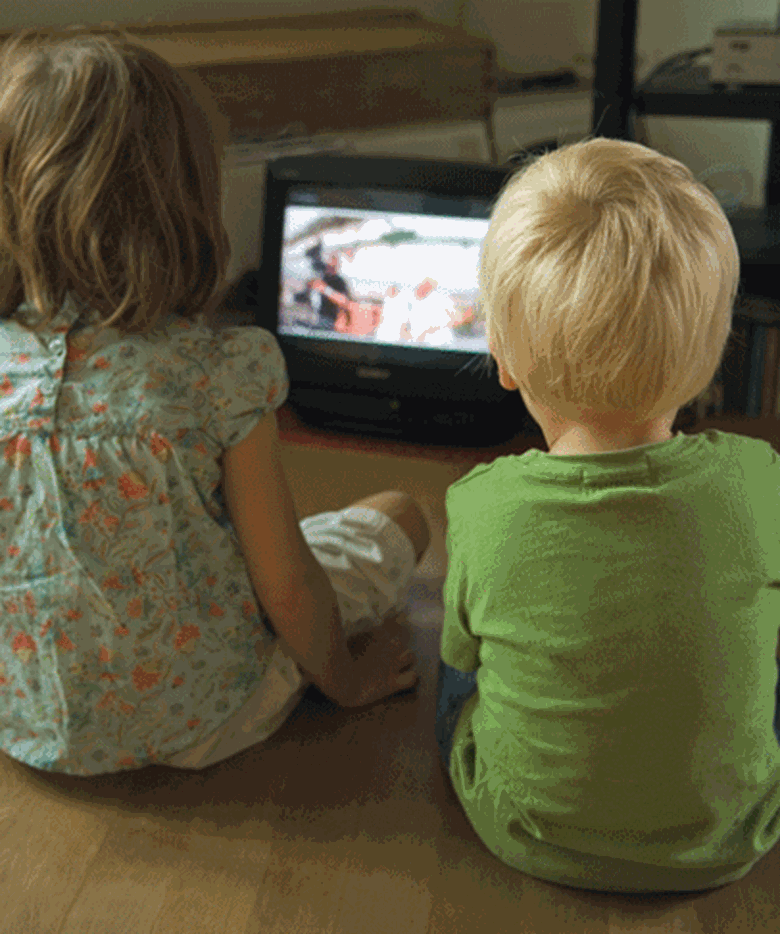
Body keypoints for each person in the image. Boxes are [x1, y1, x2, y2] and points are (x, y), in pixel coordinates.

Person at [0, 27, 430, 777]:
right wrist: (348, 681)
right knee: (402, 513)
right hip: (209, 716)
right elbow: (287, 584)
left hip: (29, 724)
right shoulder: (220, 371)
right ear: (183, 196)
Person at [435, 135, 780, 894]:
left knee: (456, 677)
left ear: (502, 354)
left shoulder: (482, 504)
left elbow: (464, 655)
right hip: (729, 838)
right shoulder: (760, 480)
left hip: (530, 835)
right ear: (711, 352)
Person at [408, 278, 458, 346]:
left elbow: (451, 320)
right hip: (423, 344)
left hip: (439, 343)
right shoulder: (417, 304)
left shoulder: (440, 300)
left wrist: (425, 332)